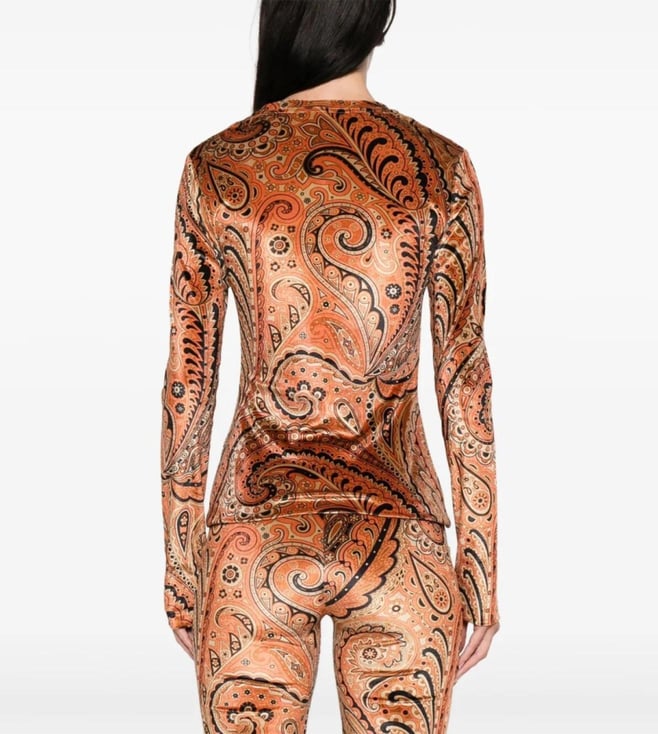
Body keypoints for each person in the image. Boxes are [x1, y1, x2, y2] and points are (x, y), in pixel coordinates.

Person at [159, 1, 501, 731]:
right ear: (377, 22)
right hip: (402, 541)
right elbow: (465, 378)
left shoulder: (217, 167)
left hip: (253, 538)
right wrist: (478, 566)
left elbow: (189, 382)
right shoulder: (440, 168)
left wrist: (183, 567)